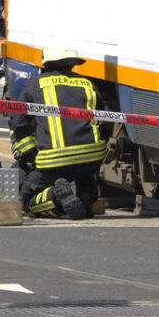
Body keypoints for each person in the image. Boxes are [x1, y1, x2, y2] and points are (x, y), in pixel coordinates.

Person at [10, 48, 108, 219]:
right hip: (91, 158)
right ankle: (85, 198)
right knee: (84, 173)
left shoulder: (35, 84)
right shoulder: (88, 84)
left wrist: (30, 156)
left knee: (25, 200)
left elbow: (18, 123)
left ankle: (56, 198)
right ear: (72, 65)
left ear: (45, 63)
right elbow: (104, 119)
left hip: (53, 161)